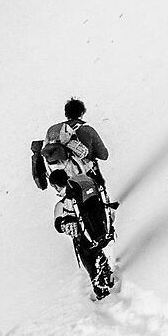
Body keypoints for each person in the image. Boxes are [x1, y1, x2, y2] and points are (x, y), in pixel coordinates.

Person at [39, 98, 116, 299]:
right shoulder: (85, 131)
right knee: (98, 218)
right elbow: (104, 154)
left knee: (81, 231)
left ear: (66, 114)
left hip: (67, 189)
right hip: (88, 182)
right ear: (82, 112)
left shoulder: (54, 138)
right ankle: (104, 258)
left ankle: (98, 275)